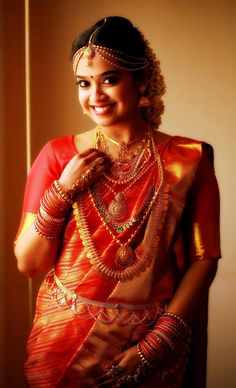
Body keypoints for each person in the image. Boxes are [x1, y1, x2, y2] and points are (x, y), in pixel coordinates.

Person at [14, 16, 221, 388]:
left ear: (141, 81)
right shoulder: (58, 156)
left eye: (109, 79)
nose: (95, 96)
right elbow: (29, 263)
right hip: (64, 340)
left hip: (149, 344)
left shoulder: (189, 159)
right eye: (83, 83)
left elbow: (204, 261)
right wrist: (61, 191)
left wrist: (154, 346)